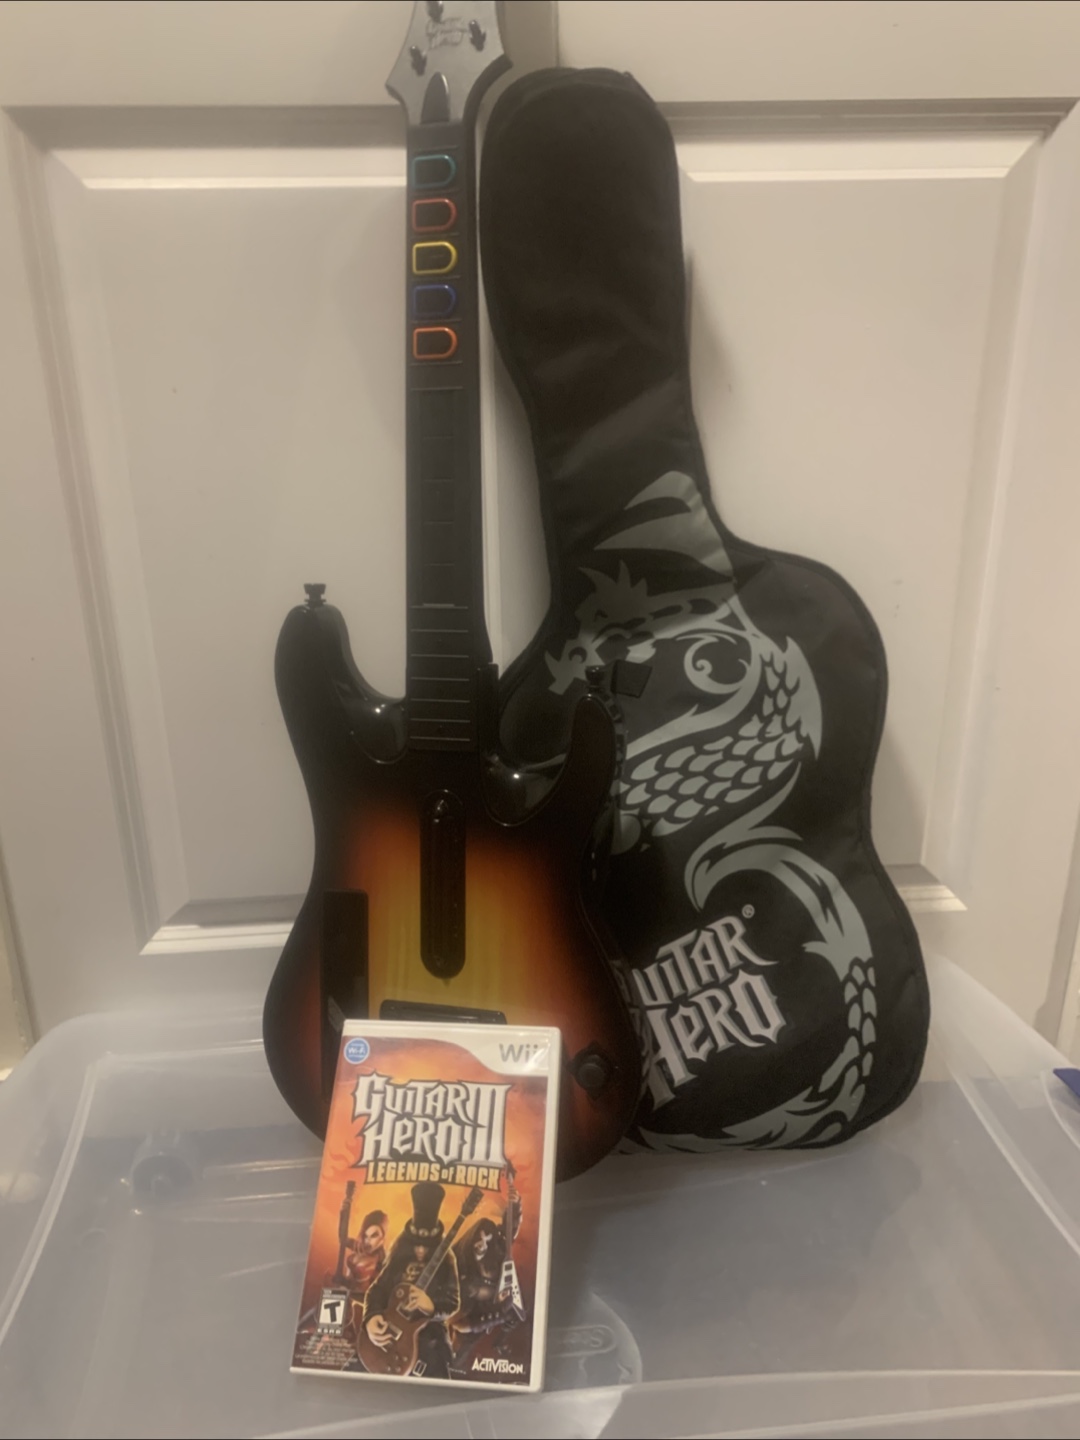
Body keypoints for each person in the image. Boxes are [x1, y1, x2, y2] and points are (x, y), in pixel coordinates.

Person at [362, 1181, 459, 1379]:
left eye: (426, 1243)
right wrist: (371, 1317)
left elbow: (453, 1302)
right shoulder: (399, 1251)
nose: (421, 1250)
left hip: (430, 1339)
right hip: (388, 1334)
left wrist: (431, 1306)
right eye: (417, 1242)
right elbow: (377, 1290)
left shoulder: (447, 1257)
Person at [451, 1183, 523, 1363]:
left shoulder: (495, 1257)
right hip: (456, 1319)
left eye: (487, 1241)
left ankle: (498, 1343)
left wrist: (514, 1207)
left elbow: (508, 1233)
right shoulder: (457, 1259)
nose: (481, 1244)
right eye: (479, 1238)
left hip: (481, 1320)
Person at [343, 1209, 387, 1298]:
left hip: (359, 1301)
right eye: (365, 1236)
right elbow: (343, 1239)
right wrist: (344, 1212)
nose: (368, 1241)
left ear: (382, 1237)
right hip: (345, 1295)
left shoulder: (382, 1261)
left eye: (374, 1235)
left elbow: (376, 1294)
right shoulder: (359, 1246)